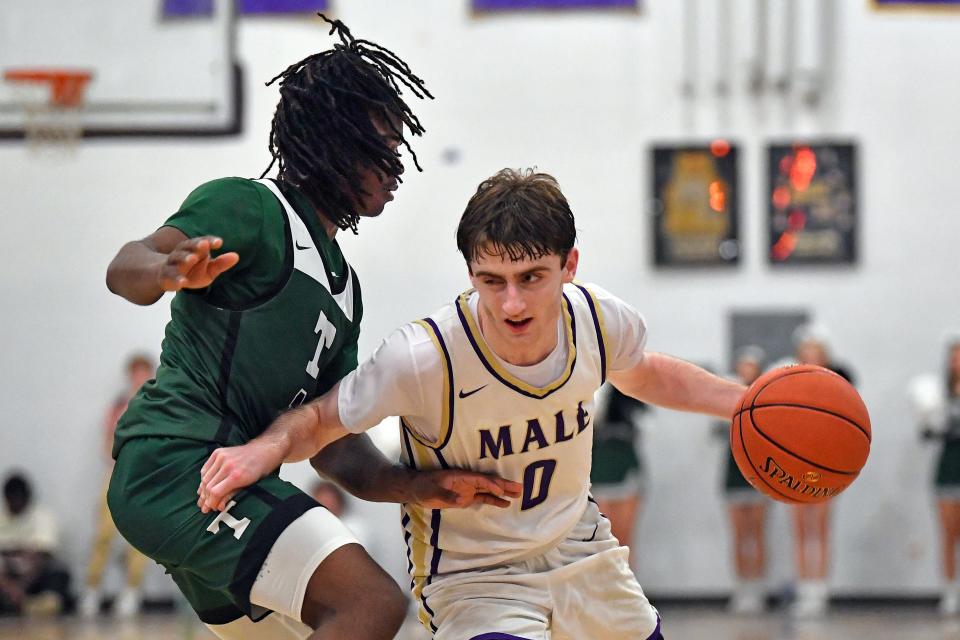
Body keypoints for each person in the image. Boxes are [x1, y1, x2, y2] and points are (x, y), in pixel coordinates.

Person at [198, 168, 748, 640]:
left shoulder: (600, 320)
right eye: (493, 280)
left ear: (569, 264)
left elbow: (645, 373)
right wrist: (261, 452)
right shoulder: (424, 356)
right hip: (474, 574)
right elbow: (322, 417)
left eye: (531, 277)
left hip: (580, 548)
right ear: (470, 274)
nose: (512, 301)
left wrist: (746, 403)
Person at [104, 15, 519, 640]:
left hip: (230, 482)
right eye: (380, 145)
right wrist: (167, 268)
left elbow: (332, 446)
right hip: (173, 463)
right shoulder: (249, 208)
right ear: (329, 141)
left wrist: (418, 484)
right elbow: (123, 267)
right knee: (373, 605)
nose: (395, 164)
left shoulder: (344, 290)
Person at [785, 324, 855, 618]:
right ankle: (804, 588)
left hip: (825, 462)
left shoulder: (837, 384)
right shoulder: (788, 383)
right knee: (800, 527)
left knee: (822, 527)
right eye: (806, 350)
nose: (811, 354)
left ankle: (820, 589)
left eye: (816, 350)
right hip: (796, 461)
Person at [79, 353, 154, 619]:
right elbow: (107, 442)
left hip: (144, 476)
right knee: (103, 533)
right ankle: (92, 588)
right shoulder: (119, 405)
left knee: (139, 537)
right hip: (117, 472)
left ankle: (132, 590)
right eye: (136, 372)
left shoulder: (158, 403)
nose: (140, 377)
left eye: (144, 372)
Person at [717, 346, 769, 614]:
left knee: (757, 533)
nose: (746, 370)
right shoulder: (728, 394)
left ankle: (757, 589)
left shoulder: (768, 397)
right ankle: (740, 588)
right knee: (738, 534)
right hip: (733, 469)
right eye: (743, 365)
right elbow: (714, 428)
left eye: (751, 366)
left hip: (759, 470)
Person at [911, 333, 960, 615]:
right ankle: (950, 593)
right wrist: (930, 422)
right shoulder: (939, 392)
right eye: (954, 355)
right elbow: (927, 434)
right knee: (948, 534)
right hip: (948, 465)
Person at [590, 383, 651, 568]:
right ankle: (600, 593)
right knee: (600, 541)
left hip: (625, 468)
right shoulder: (587, 382)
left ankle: (626, 592)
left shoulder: (631, 385)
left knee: (624, 540)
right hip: (598, 470)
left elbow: (647, 425)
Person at [0, 473, 73, 616]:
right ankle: (25, 605)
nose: (15, 504)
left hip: (35, 578)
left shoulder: (43, 517)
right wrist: (10, 587)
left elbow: (42, 559)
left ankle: (33, 604)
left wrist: (21, 587)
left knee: (60, 575)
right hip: (7, 580)